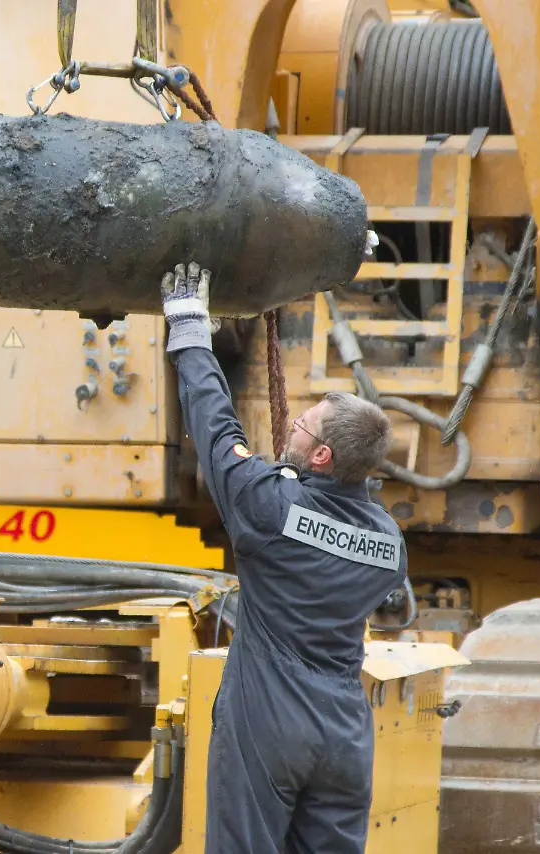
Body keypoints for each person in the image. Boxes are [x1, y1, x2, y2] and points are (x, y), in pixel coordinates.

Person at [159, 263, 406, 854]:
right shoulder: (389, 545)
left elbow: (216, 430)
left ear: (321, 457)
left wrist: (188, 325)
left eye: (301, 427)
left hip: (269, 727)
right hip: (344, 739)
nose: (291, 427)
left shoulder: (269, 508)